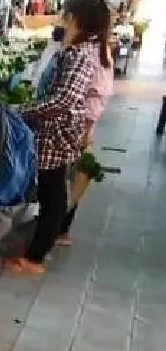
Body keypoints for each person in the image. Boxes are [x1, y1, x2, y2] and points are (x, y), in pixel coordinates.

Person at [4, 0, 104, 275]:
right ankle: (40, 247)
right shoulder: (80, 52)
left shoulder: (79, 55)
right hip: (58, 130)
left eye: (66, 14)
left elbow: (63, 100)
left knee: (52, 192)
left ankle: (35, 257)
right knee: (53, 190)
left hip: (56, 133)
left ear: (75, 19)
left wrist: (21, 109)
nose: (62, 19)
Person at [58, 19, 115, 244]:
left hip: (79, 126)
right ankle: (58, 228)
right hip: (79, 124)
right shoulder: (92, 50)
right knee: (69, 177)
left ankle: (60, 230)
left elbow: (98, 95)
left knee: (68, 178)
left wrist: (88, 128)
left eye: (70, 18)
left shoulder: (93, 53)